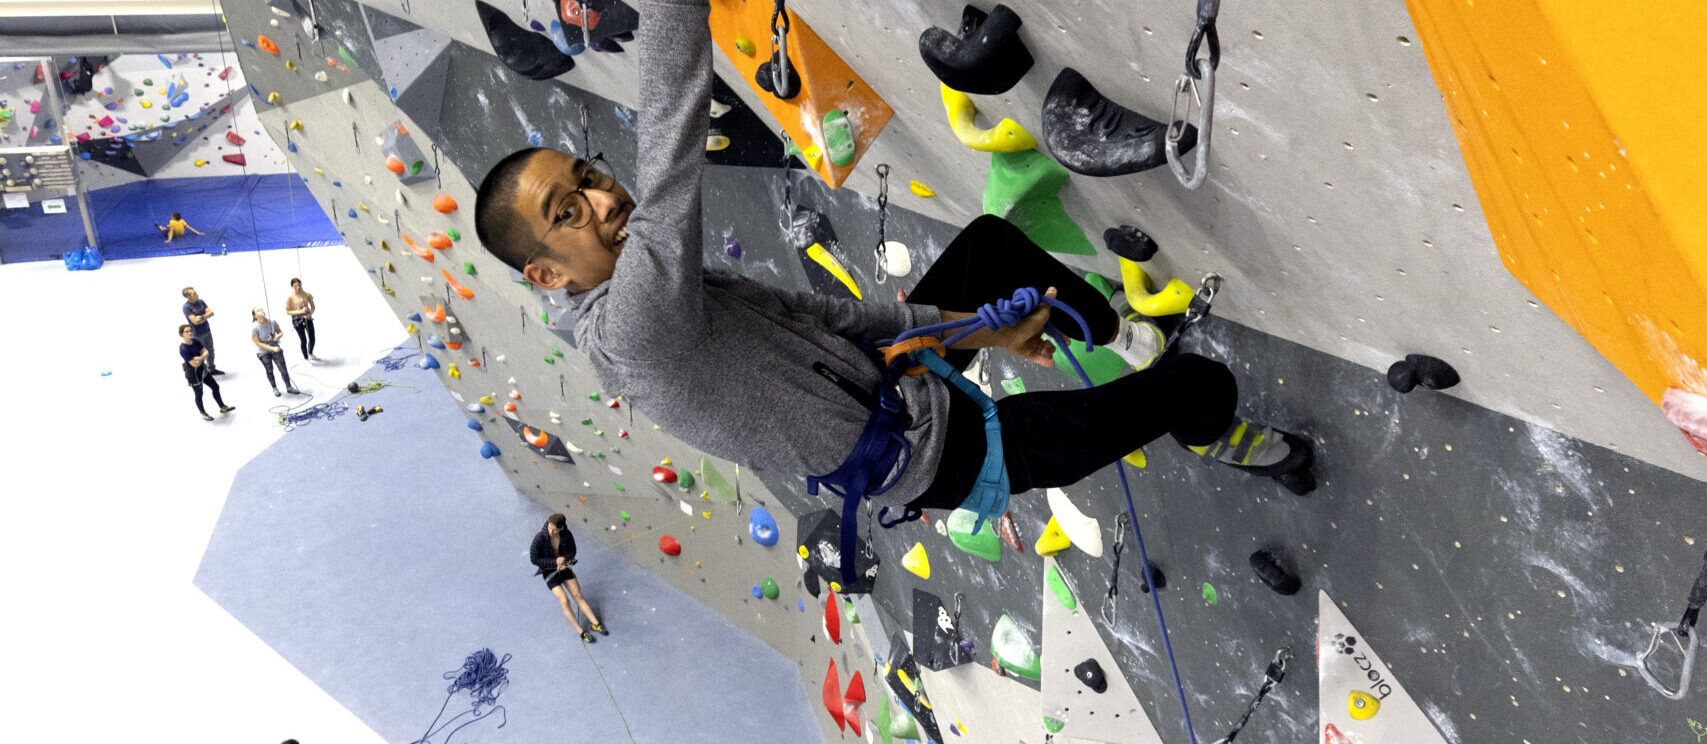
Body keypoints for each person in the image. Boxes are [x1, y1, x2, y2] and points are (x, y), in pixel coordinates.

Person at [473, 0, 1312, 556]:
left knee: (991, 247)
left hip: (893, 381)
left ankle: (1119, 335)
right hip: (944, 456)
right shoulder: (631, 335)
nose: (602, 198)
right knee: (1199, 384)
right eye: (567, 210)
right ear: (547, 274)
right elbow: (667, 167)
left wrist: (972, 328)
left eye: (588, 175)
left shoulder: (663, 293)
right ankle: (1211, 431)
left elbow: (817, 315)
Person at [529, 513, 607, 643]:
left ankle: (595, 623)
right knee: (564, 600)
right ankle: (581, 631)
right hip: (549, 571)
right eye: (549, 527)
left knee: (578, 595)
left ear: (561, 528)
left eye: (554, 529)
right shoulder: (540, 538)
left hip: (564, 567)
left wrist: (565, 560)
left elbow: (572, 551)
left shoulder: (566, 535)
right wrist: (555, 562)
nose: (551, 531)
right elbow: (534, 559)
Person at [180, 323, 234, 420]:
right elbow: (194, 364)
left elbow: (206, 352)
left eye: (190, 331)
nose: (189, 333)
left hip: (203, 370)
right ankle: (203, 413)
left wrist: (199, 358)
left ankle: (222, 407)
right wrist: (202, 357)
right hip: (193, 375)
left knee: (215, 387)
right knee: (199, 394)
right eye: (186, 332)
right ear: (182, 334)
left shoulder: (195, 341)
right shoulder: (183, 348)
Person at [251, 307, 300, 397]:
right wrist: (272, 348)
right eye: (258, 310)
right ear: (255, 316)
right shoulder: (255, 328)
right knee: (269, 370)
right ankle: (274, 388)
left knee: (283, 369)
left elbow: (280, 332)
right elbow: (257, 343)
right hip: (264, 352)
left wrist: (278, 336)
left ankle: (289, 387)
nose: (261, 311)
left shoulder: (272, 322)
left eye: (261, 309)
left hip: (276, 349)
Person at [181, 287, 222, 375]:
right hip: (197, 334)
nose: (197, 294)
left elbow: (211, 313)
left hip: (207, 330)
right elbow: (195, 321)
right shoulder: (186, 307)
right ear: (188, 296)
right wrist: (204, 316)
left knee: (210, 351)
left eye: (195, 292)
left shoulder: (201, 301)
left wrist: (202, 317)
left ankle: (211, 369)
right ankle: (200, 373)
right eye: (194, 294)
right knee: (199, 354)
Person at [284, 278, 320, 361]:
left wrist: (310, 314)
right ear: (292, 287)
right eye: (295, 286)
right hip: (297, 320)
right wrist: (300, 311)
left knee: (312, 337)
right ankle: (305, 358)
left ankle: (310, 353)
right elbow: (288, 311)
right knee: (303, 339)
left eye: (299, 285)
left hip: (307, 317)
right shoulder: (290, 298)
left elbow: (313, 306)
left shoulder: (307, 294)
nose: (298, 287)